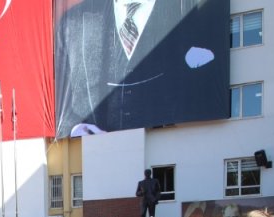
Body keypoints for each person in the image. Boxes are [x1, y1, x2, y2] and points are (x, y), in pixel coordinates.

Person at [54, 0, 226, 138]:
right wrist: (77, 129)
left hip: (165, 143)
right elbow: (61, 101)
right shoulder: (73, 22)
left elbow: (207, 92)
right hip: (100, 155)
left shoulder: (196, 9)